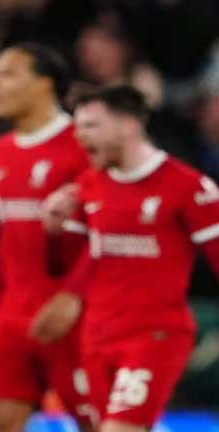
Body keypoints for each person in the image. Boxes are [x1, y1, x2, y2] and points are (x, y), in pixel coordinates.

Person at [38, 84, 219, 432]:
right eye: (77, 127)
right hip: (96, 338)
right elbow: (62, 267)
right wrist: (53, 231)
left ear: (128, 125)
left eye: (91, 126)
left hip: (154, 336)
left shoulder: (189, 187)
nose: (79, 136)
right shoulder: (88, 185)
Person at [0, 42, 93, 432]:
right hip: (14, 316)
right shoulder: (0, 151)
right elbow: (8, 237)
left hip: (77, 315)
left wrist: (73, 297)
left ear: (45, 84)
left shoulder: (87, 144)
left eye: (8, 73)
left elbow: (110, 234)